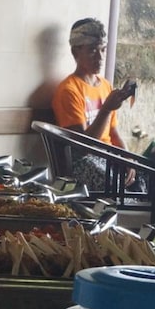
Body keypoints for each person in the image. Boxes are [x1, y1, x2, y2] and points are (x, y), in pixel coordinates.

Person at [51, 18, 139, 191]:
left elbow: (114, 133)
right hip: (85, 162)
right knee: (116, 186)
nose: (100, 57)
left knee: (150, 177)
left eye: (103, 50)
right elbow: (83, 148)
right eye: (92, 51)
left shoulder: (105, 86)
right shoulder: (69, 90)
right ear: (75, 52)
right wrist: (105, 109)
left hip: (107, 156)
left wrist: (128, 158)